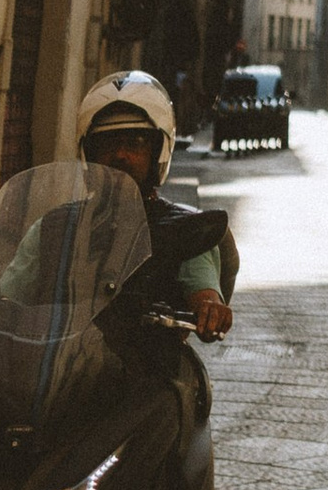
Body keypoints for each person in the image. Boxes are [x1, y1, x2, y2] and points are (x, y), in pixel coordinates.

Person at [75, 70, 237, 338]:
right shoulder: (57, 225)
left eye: (135, 143)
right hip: (64, 368)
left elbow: (203, 288)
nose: (120, 155)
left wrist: (210, 308)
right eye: (107, 143)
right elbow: (6, 291)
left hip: (149, 369)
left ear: (157, 153)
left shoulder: (185, 231)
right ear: (89, 153)